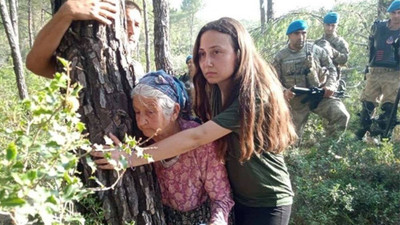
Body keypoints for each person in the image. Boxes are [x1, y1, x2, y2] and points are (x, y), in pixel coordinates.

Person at [92, 17, 297, 225]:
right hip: (238, 196)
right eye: (202, 54)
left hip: (268, 200)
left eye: (217, 52)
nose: (207, 62)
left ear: (239, 53)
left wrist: (130, 158)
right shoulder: (216, 90)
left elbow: (197, 137)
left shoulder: (253, 96)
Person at [117, 70, 234, 224]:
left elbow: (222, 198)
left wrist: (217, 221)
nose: (141, 122)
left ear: (174, 111)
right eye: (137, 112)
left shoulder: (201, 144)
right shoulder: (140, 140)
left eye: (150, 112)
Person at [26, 0, 145, 81]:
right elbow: (35, 63)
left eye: (137, 25)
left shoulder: (139, 71)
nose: (132, 31)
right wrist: (66, 13)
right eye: (126, 22)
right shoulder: (81, 62)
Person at [273, 19, 350, 141]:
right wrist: (284, 92)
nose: (301, 36)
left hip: (319, 95)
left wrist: (330, 86)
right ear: (289, 35)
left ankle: (328, 148)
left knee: (341, 115)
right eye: (296, 33)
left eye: (303, 33)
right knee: (291, 139)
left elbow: (331, 69)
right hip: (296, 101)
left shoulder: (316, 50)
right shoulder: (280, 57)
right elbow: (272, 80)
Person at [356, 0, 400, 140]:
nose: (396, 16)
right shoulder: (378, 27)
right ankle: (362, 133)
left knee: (389, 106)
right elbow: (371, 48)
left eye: (399, 13)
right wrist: (368, 68)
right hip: (375, 70)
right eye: (393, 12)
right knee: (367, 103)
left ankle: (384, 137)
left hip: (394, 73)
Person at [315, 12, 350, 89]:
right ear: (324, 25)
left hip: (333, 79)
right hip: (318, 78)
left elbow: (344, 59)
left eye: (333, 25)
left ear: (336, 26)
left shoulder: (340, 42)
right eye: (327, 25)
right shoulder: (318, 42)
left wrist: (334, 53)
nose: (330, 28)